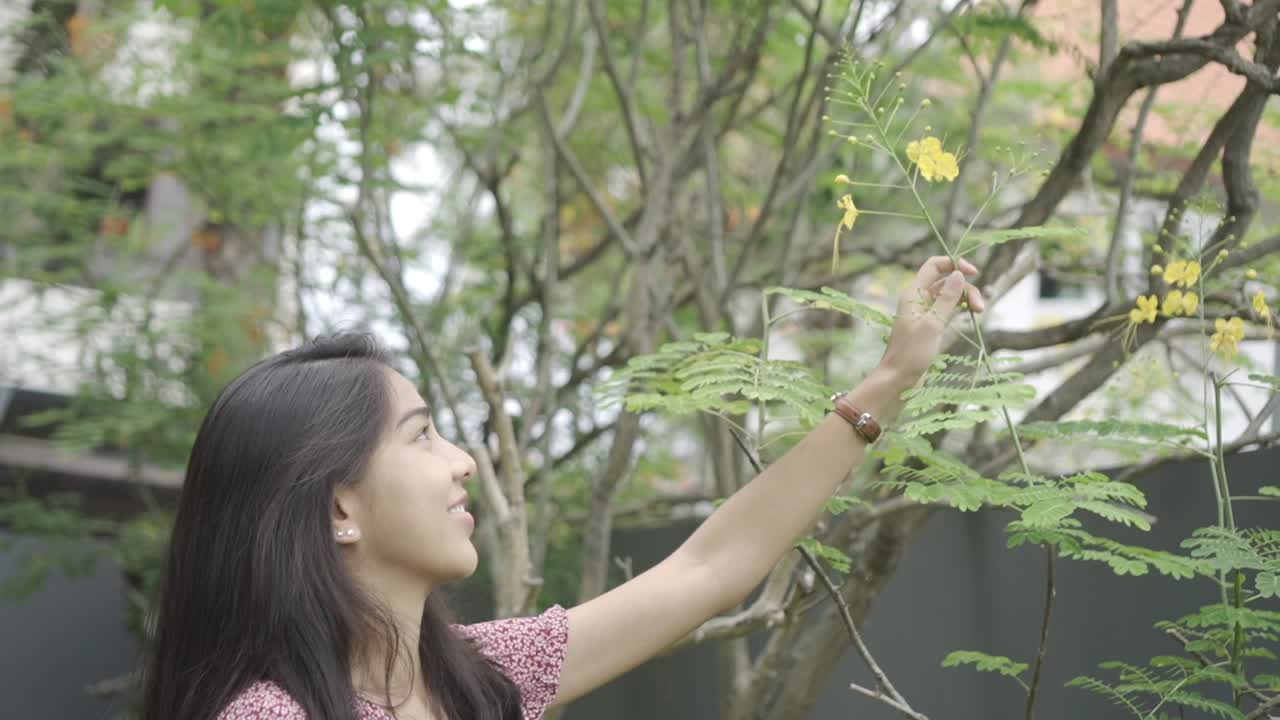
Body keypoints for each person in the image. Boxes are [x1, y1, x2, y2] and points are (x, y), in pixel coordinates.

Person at [140, 257, 983, 720]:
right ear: (338, 509)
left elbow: (709, 568)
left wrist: (887, 382)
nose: (463, 461)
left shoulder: (477, 678)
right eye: (422, 435)